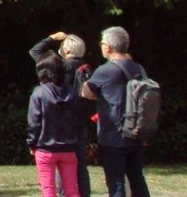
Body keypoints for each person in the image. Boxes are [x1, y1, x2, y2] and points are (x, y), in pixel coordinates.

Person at [82, 27, 151, 197]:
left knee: (116, 183)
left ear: (108, 47)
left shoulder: (106, 70)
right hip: (136, 133)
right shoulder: (138, 68)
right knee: (137, 179)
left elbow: (86, 92)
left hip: (113, 136)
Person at [29, 32, 93, 197]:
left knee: (58, 174)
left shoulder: (58, 68)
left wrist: (50, 38)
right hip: (79, 124)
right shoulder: (87, 69)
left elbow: (35, 52)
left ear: (65, 50)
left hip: (55, 126)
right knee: (78, 168)